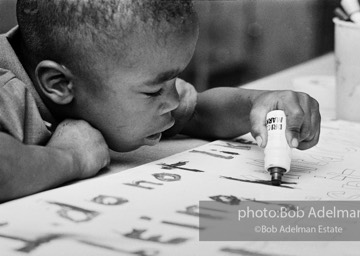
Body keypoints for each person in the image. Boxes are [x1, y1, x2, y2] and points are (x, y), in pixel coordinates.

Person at [0, 0, 320, 202]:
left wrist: (260, 103)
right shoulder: (6, 91)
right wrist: (71, 158)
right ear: (58, 84)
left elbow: (199, 113)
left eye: (173, 80)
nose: (173, 99)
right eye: (154, 91)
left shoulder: (110, 73)